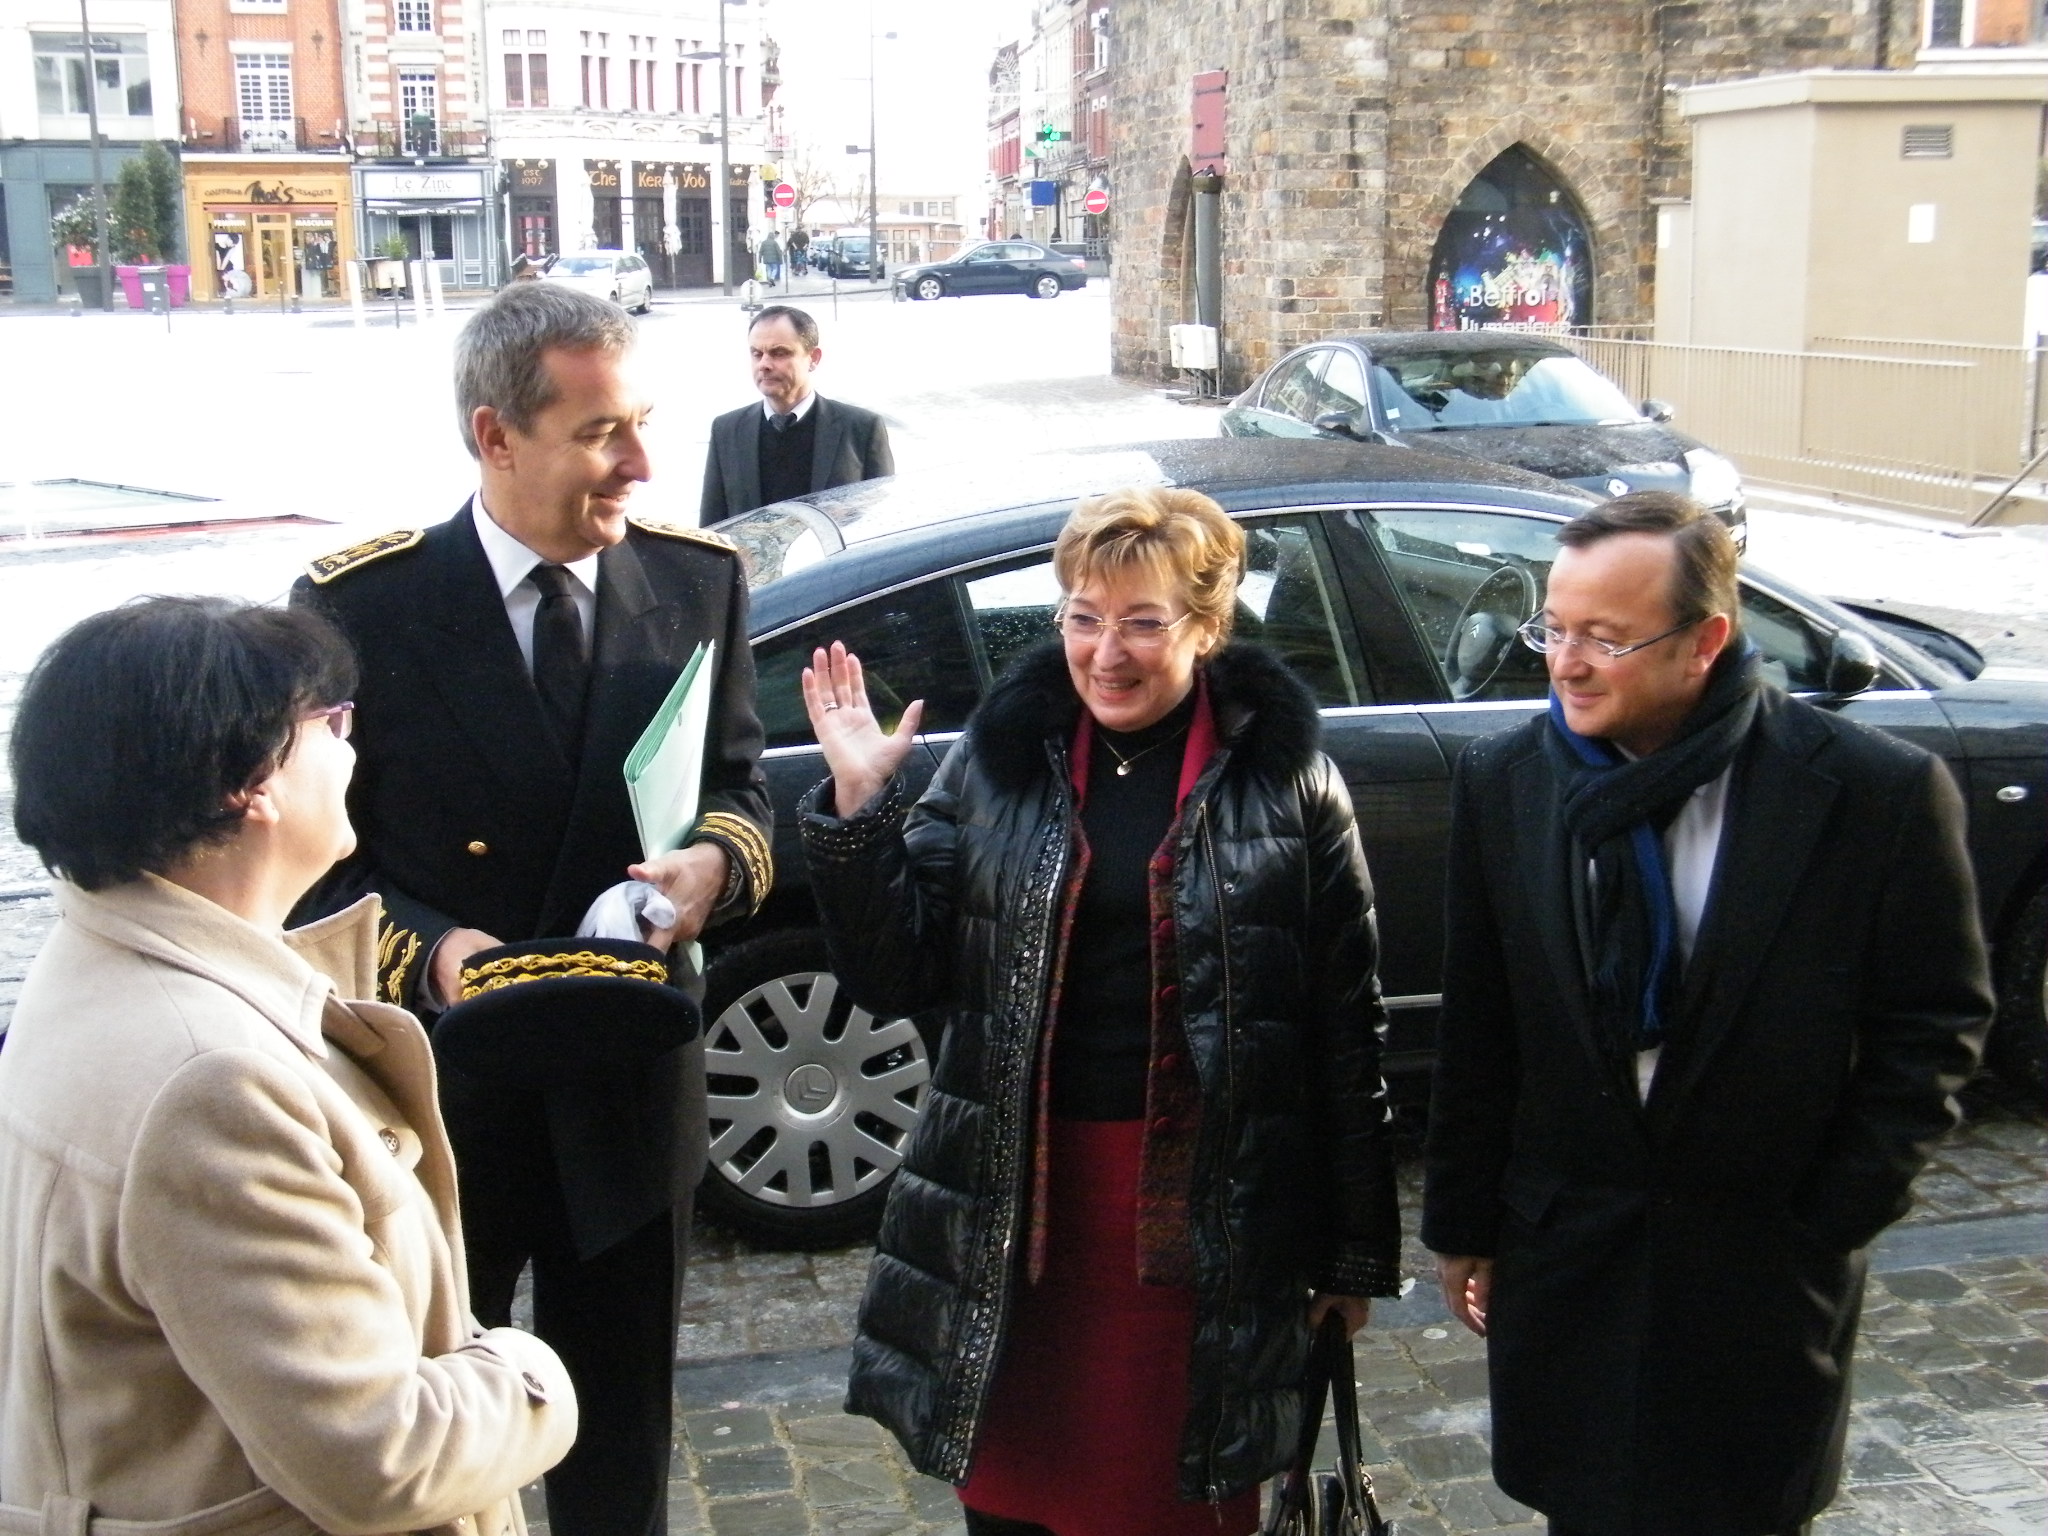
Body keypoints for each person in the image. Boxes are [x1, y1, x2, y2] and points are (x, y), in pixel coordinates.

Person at [798, 486, 1402, 1536]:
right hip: (1015, 1209)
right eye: (1082, 617)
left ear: (1206, 629)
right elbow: (897, 976)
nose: (1105, 652)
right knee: (1014, 1502)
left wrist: (1351, 1254)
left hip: (1199, 1218)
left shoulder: (1284, 780)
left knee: (1169, 1499)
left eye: (1141, 621)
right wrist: (859, 813)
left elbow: (1345, 1028)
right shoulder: (1004, 762)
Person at [290, 281, 774, 1536]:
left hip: (629, 1074)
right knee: (438, 1438)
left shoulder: (694, 581)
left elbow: (739, 792)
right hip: (442, 1103)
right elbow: (311, 865)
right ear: (494, 435)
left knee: (620, 1445)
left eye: (644, 422)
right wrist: (435, 948)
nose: (643, 462)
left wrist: (714, 869)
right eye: (602, 431)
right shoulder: (362, 607)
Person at [1422, 491, 1993, 1536]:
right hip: (1571, 1262)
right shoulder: (1505, 780)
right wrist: (1463, 1228)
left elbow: (1932, 1029)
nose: (1566, 661)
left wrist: (1828, 1221)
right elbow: (1482, 1023)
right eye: (1553, 627)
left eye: (1606, 636)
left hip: (1757, 1278)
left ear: (1705, 641)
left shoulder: (1871, 793)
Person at [0, 596, 576, 1536]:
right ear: (251, 780)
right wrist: (530, 1371)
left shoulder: (90, 963)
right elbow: (381, 1457)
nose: (353, 751)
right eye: (331, 723)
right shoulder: (215, 1084)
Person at [699, 304, 894, 522]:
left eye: (779, 353)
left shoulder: (861, 429)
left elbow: (884, 523)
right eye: (757, 353)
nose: (764, 364)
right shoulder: (727, 430)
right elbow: (711, 530)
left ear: (814, 358)